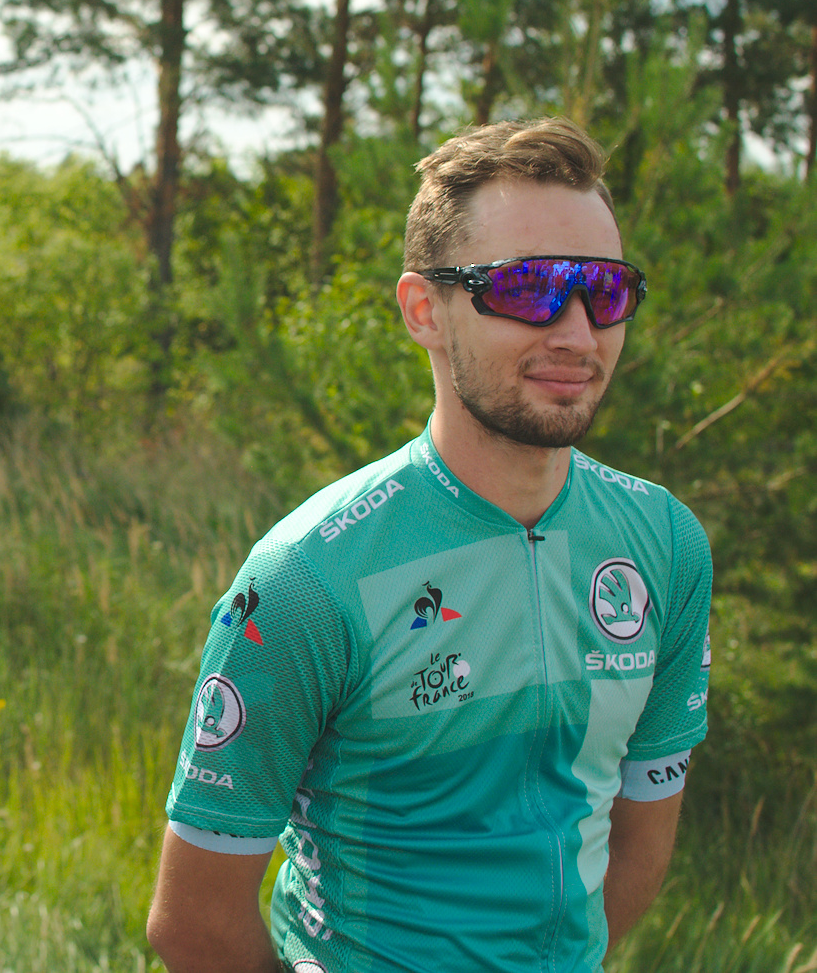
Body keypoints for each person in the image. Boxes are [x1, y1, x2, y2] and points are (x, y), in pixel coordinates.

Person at [146, 118, 713, 973]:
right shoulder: (307, 577)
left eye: (605, 289)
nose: (577, 331)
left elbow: (640, 847)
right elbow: (193, 922)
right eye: (528, 288)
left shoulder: (665, 543)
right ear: (424, 311)